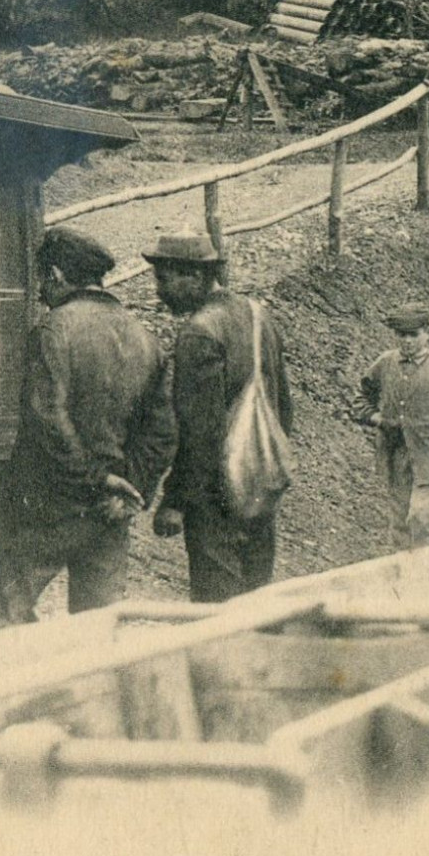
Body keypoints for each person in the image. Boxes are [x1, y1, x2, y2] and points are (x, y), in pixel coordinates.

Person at [0, 228, 176, 633]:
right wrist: (131, 488)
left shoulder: (52, 331)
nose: (41, 292)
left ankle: (19, 695)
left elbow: (48, 419)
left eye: (43, 280)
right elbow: (162, 433)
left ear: (57, 276)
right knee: (99, 627)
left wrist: (94, 480)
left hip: (48, 506)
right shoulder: (145, 339)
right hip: (110, 513)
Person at [146, 232, 294, 602]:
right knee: (256, 599)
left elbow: (200, 431)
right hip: (260, 482)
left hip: (216, 495)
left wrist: (176, 500)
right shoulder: (260, 317)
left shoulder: (200, 333)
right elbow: (283, 408)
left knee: (217, 606)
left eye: (164, 279)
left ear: (195, 277)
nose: (159, 292)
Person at [354, 304, 429, 550]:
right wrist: (376, 417)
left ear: (426, 334)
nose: (407, 341)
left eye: (414, 334)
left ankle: (424, 571)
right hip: (395, 453)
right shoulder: (385, 363)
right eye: (402, 335)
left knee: (420, 516)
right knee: (399, 519)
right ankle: (403, 576)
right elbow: (361, 397)